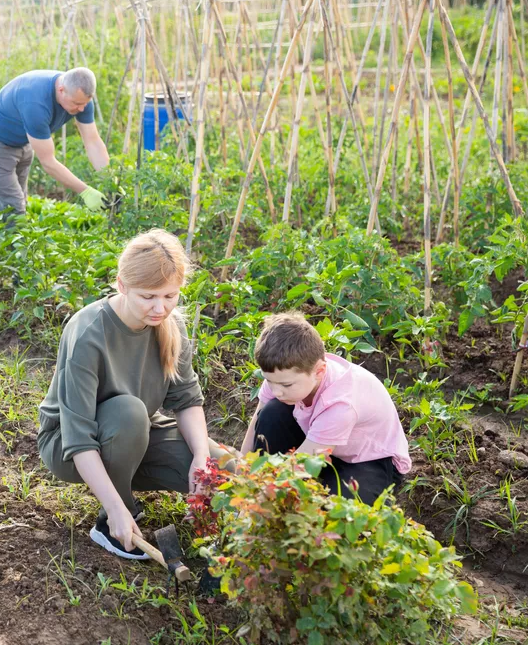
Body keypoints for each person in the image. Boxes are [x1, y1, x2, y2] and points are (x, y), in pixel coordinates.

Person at [38, 229, 231, 559]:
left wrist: (201, 458)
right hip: (71, 447)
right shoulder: (88, 333)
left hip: (137, 435)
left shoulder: (171, 326)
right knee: (129, 412)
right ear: (122, 285)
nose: (160, 308)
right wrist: (115, 508)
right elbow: (79, 437)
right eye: (148, 297)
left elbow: (186, 398)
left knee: (223, 468)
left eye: (170, 296)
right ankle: (113, 518)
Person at [239, 312, 411, 505]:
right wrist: (244, 471)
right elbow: (257, 421)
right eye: (269, 382)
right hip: (322, 445)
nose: (277, 391)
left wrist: (260, 501)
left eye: (286, 386)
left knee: (341, 512)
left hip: (368, 461)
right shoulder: (282, 377)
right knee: (272, 413)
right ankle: (274, 486)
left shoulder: (340, 403)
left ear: (319, 371)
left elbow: (302, 465)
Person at [0, 68, 109, 220]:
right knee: (13, 207)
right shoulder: (36, 103)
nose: (82, 109)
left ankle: (19, 238)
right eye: (77, 104)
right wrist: (85, 191)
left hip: (23, 140)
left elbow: (93, 142)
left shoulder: (80, 98)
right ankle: (13, 241)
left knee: (20, 200)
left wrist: (109, 179)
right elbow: (48, 162)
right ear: (61, 90)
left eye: (85, 103)